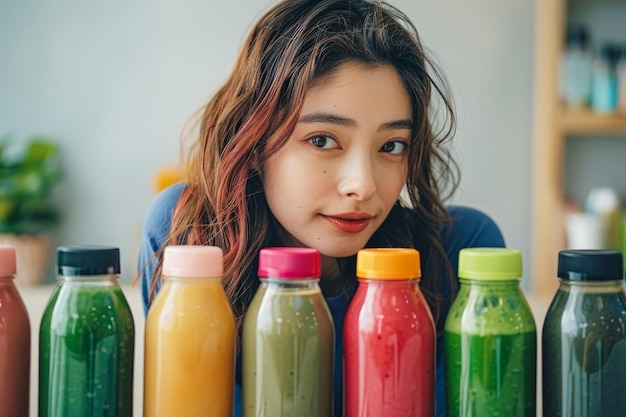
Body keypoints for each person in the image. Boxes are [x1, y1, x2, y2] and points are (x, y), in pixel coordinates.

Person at [138, 0, 505, 416]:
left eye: (391, 146)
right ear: (254, 141)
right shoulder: (193, 237)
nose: (363, 186)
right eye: (322, 140)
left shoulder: (461, 254)